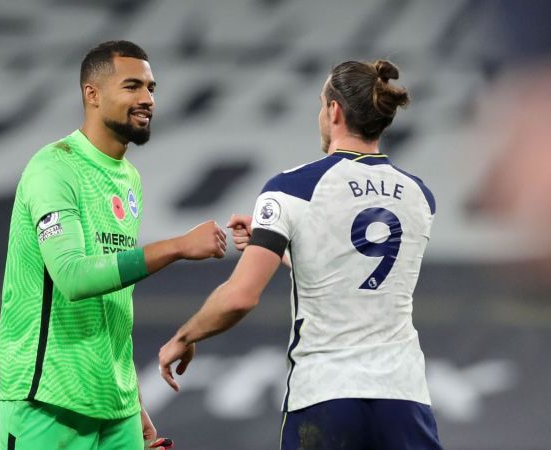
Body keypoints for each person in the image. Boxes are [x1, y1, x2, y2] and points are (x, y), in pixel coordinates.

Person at [159, 60, 443, 450]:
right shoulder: (420, 196)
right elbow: (360, 270)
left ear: (334, 110)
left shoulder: (292, 188)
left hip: (325, 396)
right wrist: (274, 244)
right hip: (403, 398)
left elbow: (241, 296)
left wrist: (185, 335)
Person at [0, 40, 226, 450]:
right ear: (92, 94)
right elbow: (73, 277)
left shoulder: (128, 179)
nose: (147, 99)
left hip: (115, 410)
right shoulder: (54, 168)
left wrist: (134, 405)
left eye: (151, 89)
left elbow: (111, 309)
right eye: (132, 86)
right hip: (48, 402)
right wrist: (177, 246)